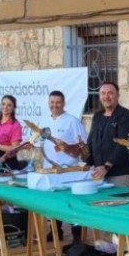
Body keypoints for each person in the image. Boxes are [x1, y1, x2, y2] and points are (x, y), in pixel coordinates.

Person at [40, 90, 88, 242]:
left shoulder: (72, 121)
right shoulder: (43, 122)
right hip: (50, 170)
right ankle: (55, 231)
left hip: (68, 171)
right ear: (49, 103)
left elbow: (83, 145)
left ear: (63, 103)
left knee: (71, 204)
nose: (55, 106)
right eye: (52, 103)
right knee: (53, 203)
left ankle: (76, 239)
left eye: (58, 103)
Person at [86, 82, 129, 187]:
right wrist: (86, 162)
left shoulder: (125, 116)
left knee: (118, 202)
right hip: (99, 173)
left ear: (117, 96)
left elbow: (123, 144)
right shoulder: (97, 116)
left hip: (120, 174)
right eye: (103, 93)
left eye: (110, 93)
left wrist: (106, 166)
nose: (106, 97)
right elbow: (91, 141)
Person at [0, 95, 25, 170]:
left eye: (9, 105)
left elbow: (14, 149)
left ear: (13, 108)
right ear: (0, 105)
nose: (5, 107)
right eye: (3, 104)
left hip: (8, 163)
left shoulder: (15, 125)